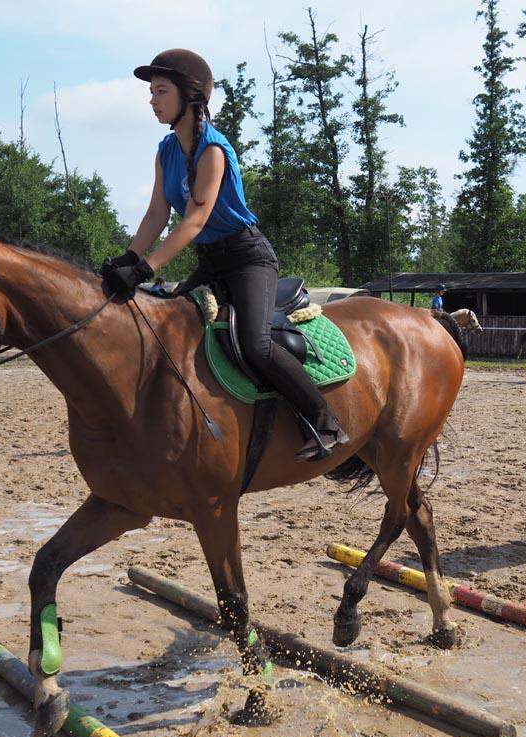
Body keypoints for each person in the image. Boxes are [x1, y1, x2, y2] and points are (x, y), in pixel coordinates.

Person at [100, 49, 348, 461]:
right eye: (151, 91)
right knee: (166, 329)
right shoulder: (165, 150)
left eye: (161, 91)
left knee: (256, 344)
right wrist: (128, 258)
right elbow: (157, 212)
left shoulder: (213, 150)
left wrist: (145, 268)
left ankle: (325, 421)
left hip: (248, 258)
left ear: (189, 96)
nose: (152, 99)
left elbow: (194, 220)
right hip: (211, 262)